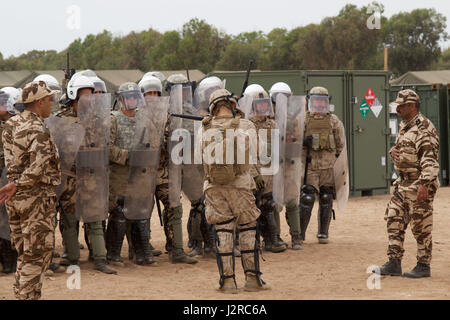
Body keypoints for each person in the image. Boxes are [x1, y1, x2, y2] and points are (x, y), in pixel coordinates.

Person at [200, 88, 270, 293]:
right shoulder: (246, 125)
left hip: (214, 187)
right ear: (232, 105)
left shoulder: (203, 128)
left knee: (223, 230)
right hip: (240, 186)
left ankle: (227, 281)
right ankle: (252, 279)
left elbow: (199, 157)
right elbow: (258, 153)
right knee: (247, 228)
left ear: (213, 107)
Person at [0, 81, 61, 300]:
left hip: (15, 199)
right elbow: (38, 168)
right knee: (37, 256)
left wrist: (15, 184)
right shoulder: (38, 129)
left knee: (25, 255)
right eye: (50, 100)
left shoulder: (11, 124)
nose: (52, 104)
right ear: (39, 102)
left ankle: (25, 295)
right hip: (36, 198)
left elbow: (9, 160)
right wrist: (19, 183)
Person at [57, 75, 116, 274]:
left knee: (95, 219)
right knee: (69, 220)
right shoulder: (62, 121)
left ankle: (100, 258)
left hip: (92, 175)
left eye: (91, 95)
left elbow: (104, 145)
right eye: (85, 95)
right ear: (73, 95)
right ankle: (72, 258)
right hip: (70, 178)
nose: (89, 99)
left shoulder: (97, 120)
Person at [378, 89, 439, 278]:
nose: (398, 109)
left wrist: (424, 185)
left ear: (412, 106)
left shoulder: (424, 128)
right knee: (394, 220)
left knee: (421, 226)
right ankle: (394, 262)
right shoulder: (405, 125)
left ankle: (423, 265)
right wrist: (393, 152)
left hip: (418, 184)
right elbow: (405, 148)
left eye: (401, 106)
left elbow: (429, 160)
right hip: (402, 184)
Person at [107, 81, 161, 265]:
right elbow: (107, 148)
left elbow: (154, 145)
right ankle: (113, 254)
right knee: (119, 213)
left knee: (141, 212)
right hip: (120, 176)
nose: (131, 100)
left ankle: (143, 253)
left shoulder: (144, 120)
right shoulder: (112, 119)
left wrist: (146, 158)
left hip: (140, 175)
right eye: (128, 97)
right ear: (121, 99)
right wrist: (127, 156)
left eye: (134, 96)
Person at [152, 74, 197, 264]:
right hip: (155, 169)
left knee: (174, 207)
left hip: (176, 170)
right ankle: (141, 249)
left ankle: (176, 249)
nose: (182, 95)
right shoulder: (159, 112)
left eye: (185, 90)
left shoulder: (190, 111)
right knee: (141, 212)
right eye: (178, 91)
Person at [299, 86, 345, 244]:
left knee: (326, 197)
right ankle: (300, 234)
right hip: (310, 166)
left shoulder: (334, 121)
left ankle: (323, 233)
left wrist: (339, 167)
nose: (319, 104)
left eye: (322, 101)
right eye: (316, 101)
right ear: (310, 101)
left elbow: (341, 146)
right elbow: (292, 143)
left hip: (328, 166)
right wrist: (302, 143)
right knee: (307, 198)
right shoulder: (303, 120)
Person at [243, 84, 286, 253]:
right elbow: (246, 153)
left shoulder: (272, 124)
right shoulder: (247, 125)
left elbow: (277, 149)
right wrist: (254, 174)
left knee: (269, 205)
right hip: (255, 172)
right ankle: (252, 241)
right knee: (254, 206)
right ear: (253, 106)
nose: (262, 107)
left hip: (270, 172)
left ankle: (271, 240)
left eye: (264, 104)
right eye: (259, 104)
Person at [269, 82, 303, 250]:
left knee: (291, 201)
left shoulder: (293, 119)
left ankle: (296, 236)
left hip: (288, 166)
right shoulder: (267, 118)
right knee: (273, 202)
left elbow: (297, 144)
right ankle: (275, 236)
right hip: (272, 166)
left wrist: (293, 141)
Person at [0, 87, 20, 274]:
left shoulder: (16, 125)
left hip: (9, 176)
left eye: (4, 102)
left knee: (8, 219)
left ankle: (9, 260)